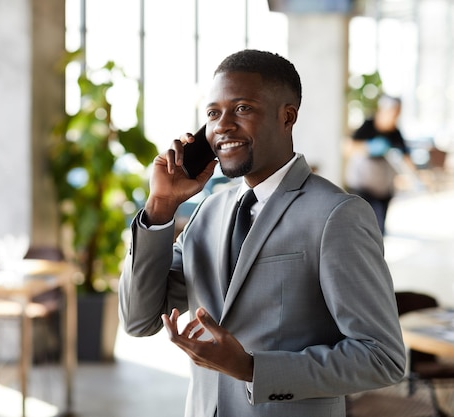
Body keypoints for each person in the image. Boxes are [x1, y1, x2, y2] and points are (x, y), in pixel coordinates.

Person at [118, 49, 406, 417]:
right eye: (212, 113)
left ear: (287, 117)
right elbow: (138, 321)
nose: (221, 125)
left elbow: (382, 357)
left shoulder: (337, 215)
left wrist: (253, 369)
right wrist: (159, 206)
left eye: (241, 108)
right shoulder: (208, 213)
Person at [344, 94, 416, 235]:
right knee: (361, 227)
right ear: (383, 111)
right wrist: (368, 147)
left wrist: (414, 176)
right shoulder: (368, 126)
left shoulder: (395, 133)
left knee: (378, 230)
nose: (394, 118)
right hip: (361, 188)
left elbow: (407, 159)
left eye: (397, 115)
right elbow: (347, 148)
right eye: (393, 114)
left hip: (384, 191)